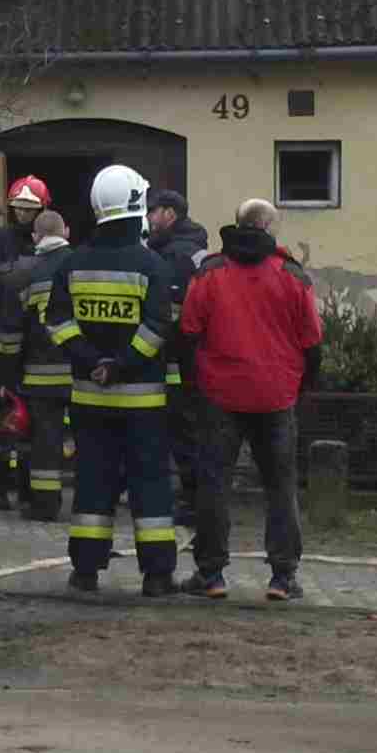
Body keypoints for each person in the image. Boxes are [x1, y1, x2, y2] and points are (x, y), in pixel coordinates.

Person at [41, 164, 180, 596]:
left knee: (92, 484)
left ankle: (85, 571)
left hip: (89, 398)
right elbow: (158, 326)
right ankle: (157, 576)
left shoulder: (72, 263)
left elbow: (57, 322)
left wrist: (90, 360)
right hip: (144, 404)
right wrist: (122, 364)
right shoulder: (152, 265)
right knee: (151, 487)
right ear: (137, 203)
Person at [178, 196, 323, 601]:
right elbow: (312, 343)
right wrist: (301, 387)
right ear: (270, 229)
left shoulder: (209, 273)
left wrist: (196, 387)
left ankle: (211, 574)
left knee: (213, 485)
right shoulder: (293, 277)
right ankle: (282, 576)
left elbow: (187, 334)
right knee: (281, 487)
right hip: (276, 396)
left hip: (219, 394)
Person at [145, 189, 216, 579]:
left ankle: (188, 503)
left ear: (169, 214)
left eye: (153, 212)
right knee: (189, 437)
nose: (149, 219)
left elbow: (167, 313)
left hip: (174, 362)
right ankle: (192, 500)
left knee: (180, 439)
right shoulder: (195, 249)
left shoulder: (173, 255)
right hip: (192, 362)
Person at [0, 208, 75, 519]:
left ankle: (45, 506)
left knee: (45, 439)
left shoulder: (23, 273)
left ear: (35, 237)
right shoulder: (83, 264)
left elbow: (10, 333)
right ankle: (96, 503)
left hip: (40, 377)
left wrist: (7, 375)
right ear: (66, 232)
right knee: (95, 438)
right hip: (86, 374)